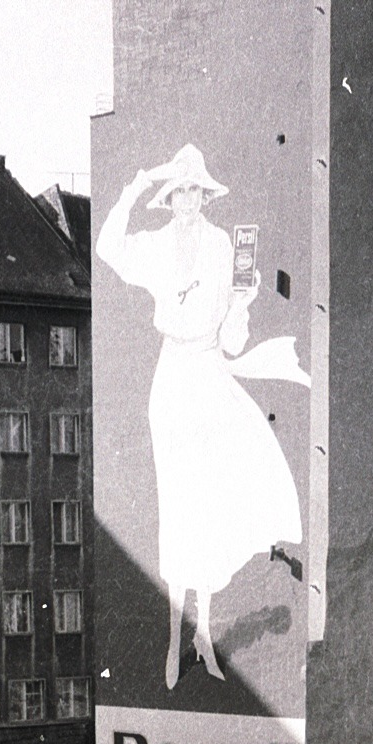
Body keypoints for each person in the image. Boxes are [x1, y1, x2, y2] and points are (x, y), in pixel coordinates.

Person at [97, 143, 309, 690]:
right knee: (180, 507)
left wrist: (244, 300)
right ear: (170, 199)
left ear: (204, 195)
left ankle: (203, 634)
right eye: (179, 190)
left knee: (212, 507)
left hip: (211, 374)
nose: (187, 198)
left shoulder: (222, 247)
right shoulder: (157, 245)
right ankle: (175, 638)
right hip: (173, 382)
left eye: (195, 189)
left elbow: (233, 338)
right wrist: (141, 179)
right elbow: (108, 247)